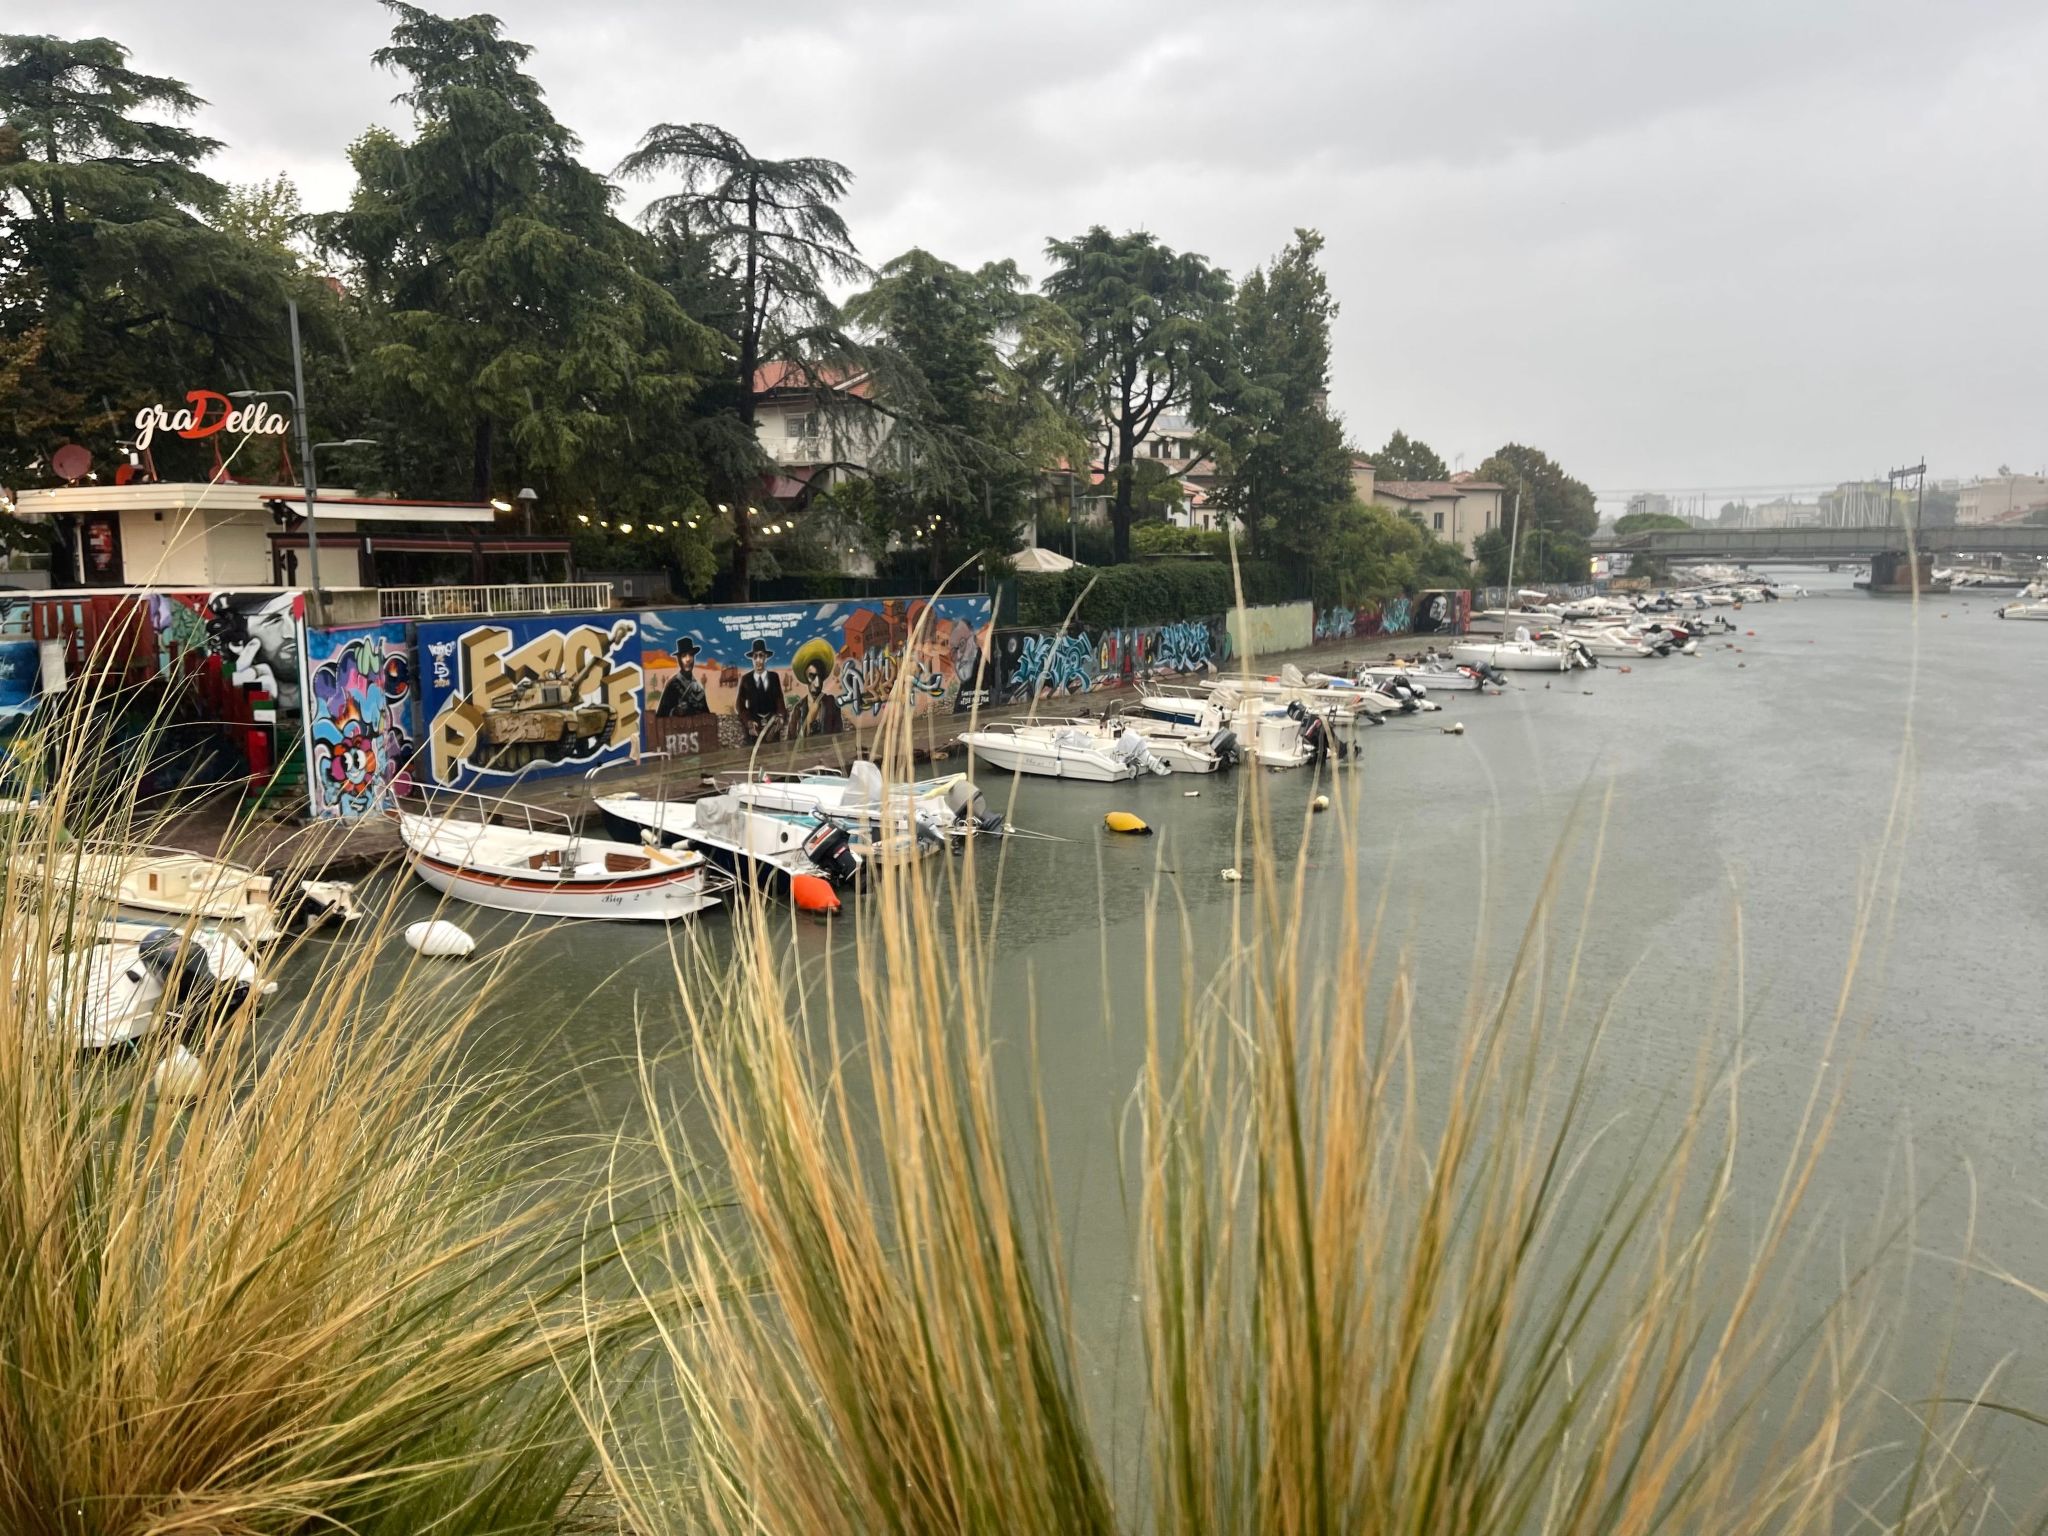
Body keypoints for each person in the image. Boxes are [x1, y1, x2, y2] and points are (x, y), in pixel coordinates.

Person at [735, 638, 785, 739]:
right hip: (754, 728)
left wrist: (780, 717)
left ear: (766, 657)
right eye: (755, 656)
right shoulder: (746, 679)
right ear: (752, 659)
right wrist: (749, 722)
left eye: (761, 655)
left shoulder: (774, 677)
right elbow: (740, 705)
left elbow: (779, 699)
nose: (758, 660)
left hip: (772, 726)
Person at [657, 635, 707, 716]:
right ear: (679, 659)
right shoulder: (672, 685)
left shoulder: (698, 689)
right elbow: (661, 716)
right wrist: (675, 711)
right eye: (684, 656)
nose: (688, 659)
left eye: (691, 655)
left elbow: (707, 716)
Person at [796, 657, 843, 736]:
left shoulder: (832, 704)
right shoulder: (798, 709)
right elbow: (792, 740)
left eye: (820, 676)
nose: (817, 684)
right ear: (805, 678)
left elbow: (839, 735)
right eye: (812, 676)